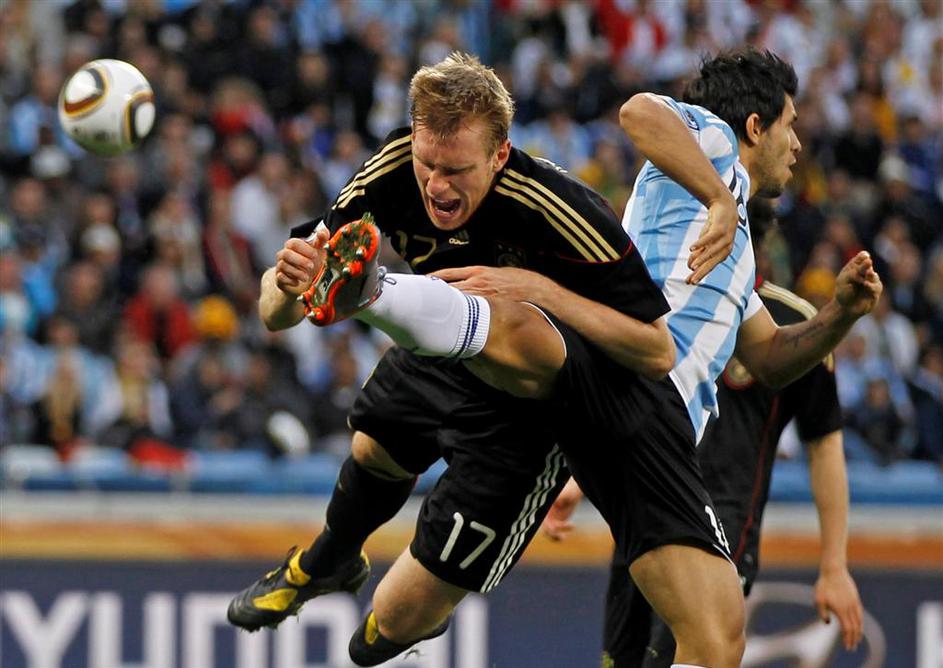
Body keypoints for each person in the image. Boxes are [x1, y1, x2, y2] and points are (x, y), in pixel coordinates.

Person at [236, 48, 882, 668]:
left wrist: (843, 314)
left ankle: (375, 295)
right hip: (513, 348)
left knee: (391, 628)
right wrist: (291, 287)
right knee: (377, 444)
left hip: (597, 404)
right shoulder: (716, 157)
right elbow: (640, 112)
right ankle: (331, 543)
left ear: (498, 155)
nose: (435, 184)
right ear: (755, 126)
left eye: (455, 169)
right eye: (790, 125)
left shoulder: (667, 239)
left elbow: (751, 360)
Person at [542, 199, 865, 666]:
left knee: (690, 653)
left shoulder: (794, 324)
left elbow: (825, 442)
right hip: (644, 506)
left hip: (722, 529)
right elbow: (625, 403)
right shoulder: (658, 307)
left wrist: (834, 566)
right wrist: (578, 480)